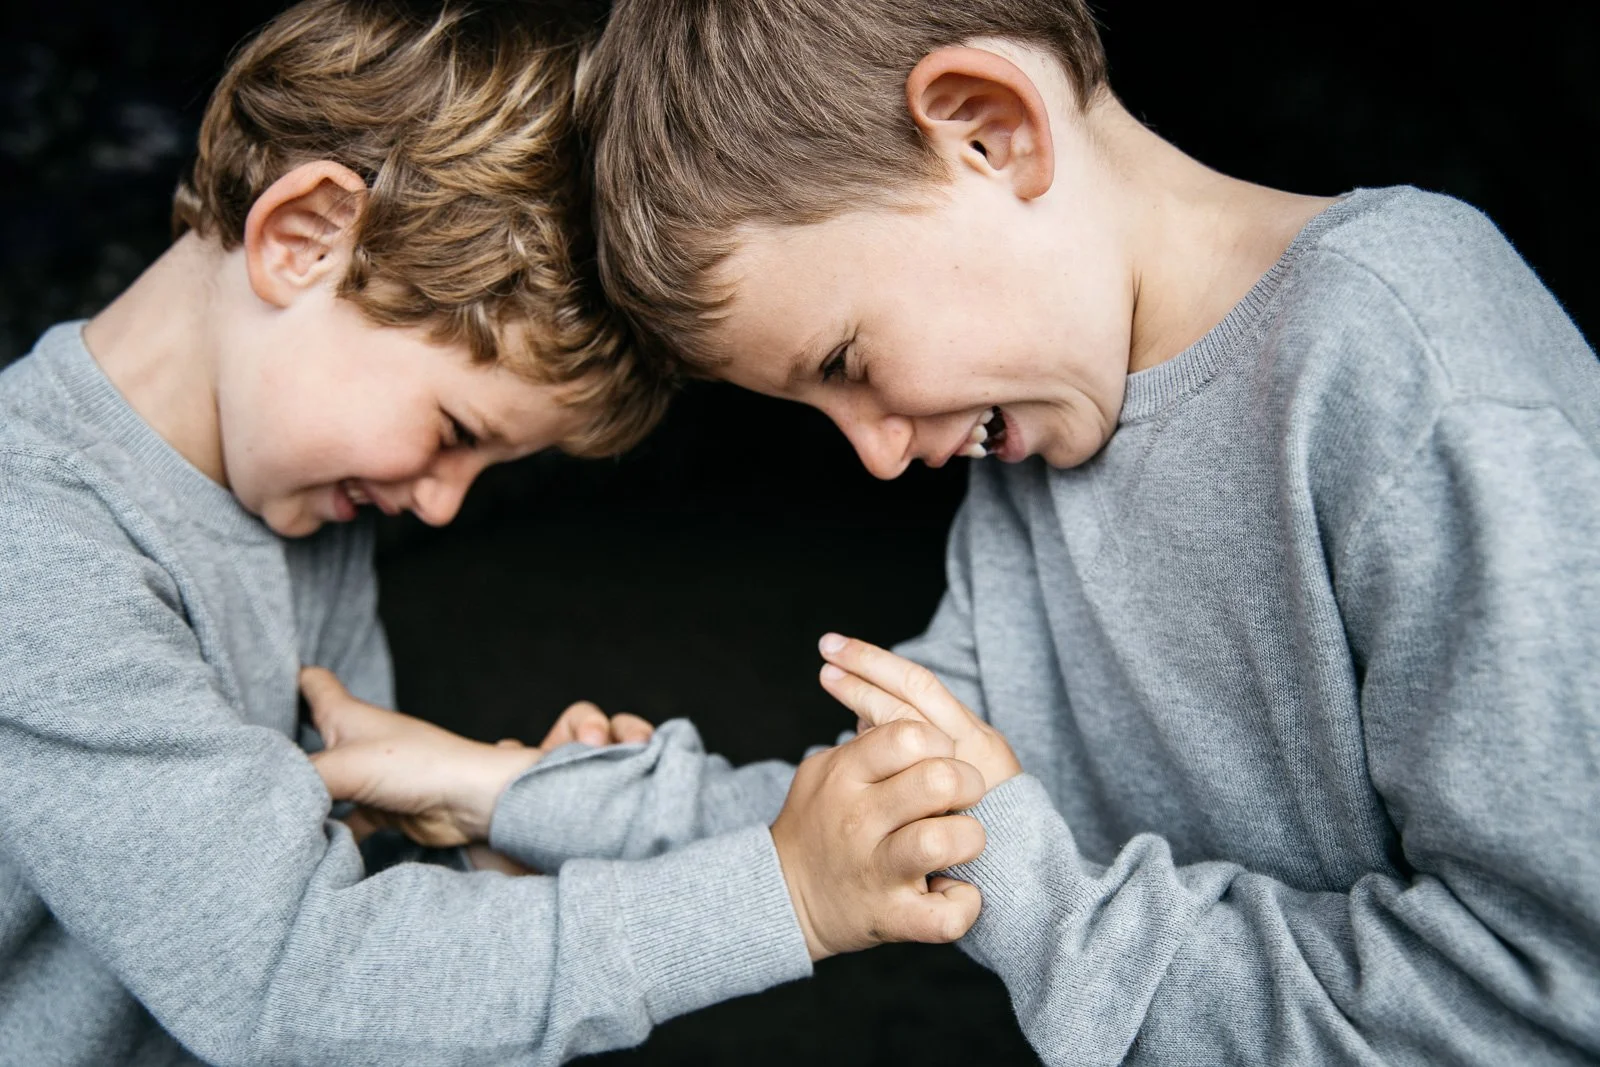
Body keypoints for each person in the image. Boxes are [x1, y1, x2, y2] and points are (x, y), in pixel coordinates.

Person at [318, 0, 1600, 1063]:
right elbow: (886, 830)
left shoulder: (1410, 367)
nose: (877, 451)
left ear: (988, 131)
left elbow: (1544, 996)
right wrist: (505, 788)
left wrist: (1038, 895)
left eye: (848, 358)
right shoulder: (1038, 446)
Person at [0, 2, 993, 1064]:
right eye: (453, 431)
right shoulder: (35, 547)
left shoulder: (297, 510)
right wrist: (780, 894)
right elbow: (292, 975)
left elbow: (331, 913)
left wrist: (495, 873)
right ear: (305, 240)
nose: (438, 504)